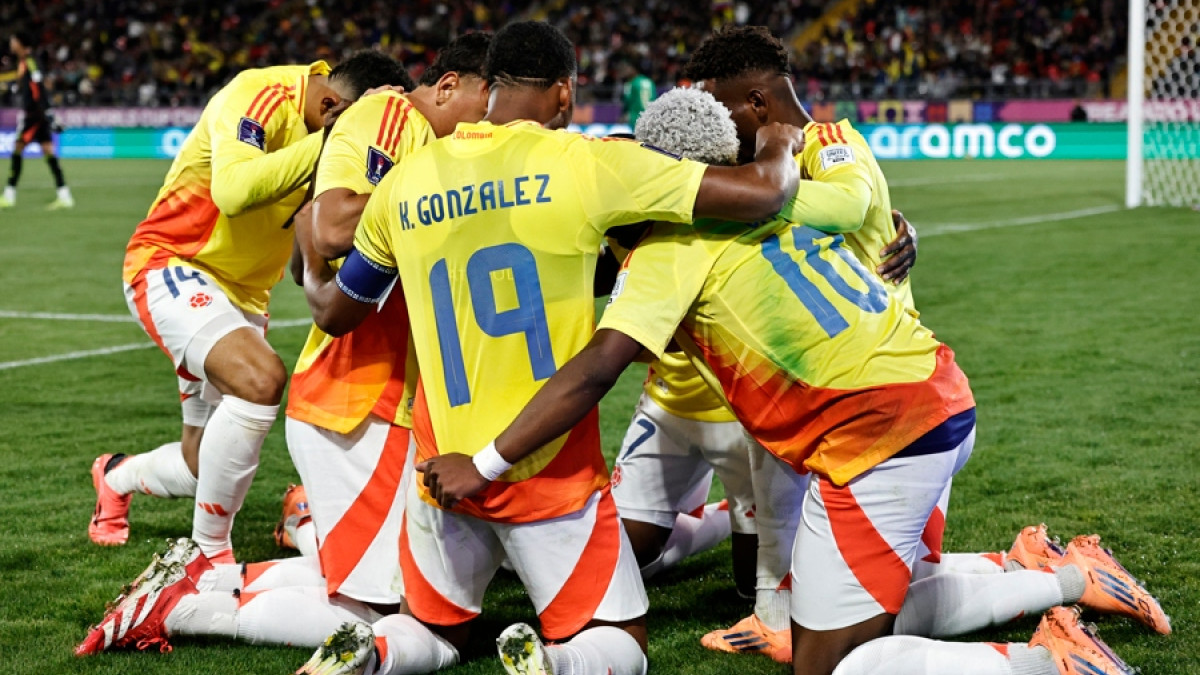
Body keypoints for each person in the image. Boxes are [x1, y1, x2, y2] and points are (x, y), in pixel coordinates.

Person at [416, 85, 1164, 675]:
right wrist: (893, 226)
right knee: (854, 606)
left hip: (878, 434)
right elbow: (859, 221)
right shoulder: (780, 203)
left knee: (830, 663)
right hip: (923, 393)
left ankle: (1050, 659)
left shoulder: (670, 250)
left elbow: (596, 368)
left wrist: (484, 461)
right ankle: (1058, 576)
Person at [297, 20, 805, 675]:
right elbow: (763, 193)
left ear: (488, 88)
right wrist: (781, 141)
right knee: (622, 640)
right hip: (544, 465)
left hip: (440, 462)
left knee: (434, 629)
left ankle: (380, 651)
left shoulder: (404, 181)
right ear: (564, 92)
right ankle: (555, 664)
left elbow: (340, 311)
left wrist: (309, 254)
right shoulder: (584, 163)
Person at [679, 26, 1170, 663]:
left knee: (888, 595)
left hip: (883, 397)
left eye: (722, 108)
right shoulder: (764, 166)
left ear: (756, 102)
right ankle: (1042, 572)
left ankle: (1057, 608)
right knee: (871, 580)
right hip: (842, 387)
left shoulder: (828, 142)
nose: (719, 128)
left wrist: (738, 199)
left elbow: (849, 206)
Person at [86, 51, 407, 563]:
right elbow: (233, 192)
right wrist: (332, 142)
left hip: (245, 295)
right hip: (173, 263)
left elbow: (307, 253)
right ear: (331, 106)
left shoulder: (330, 132)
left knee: (201, 465)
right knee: (260, 380)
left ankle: (116, 476)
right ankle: (208, 558)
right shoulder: (262, 94)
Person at [0, 31, 72, 209]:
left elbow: (38, 87)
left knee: (18, 149)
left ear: (20, 43)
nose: (11, 44)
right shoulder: (24, 62)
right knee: (48, 151)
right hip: (38, 114)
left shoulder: (30, 61)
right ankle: (64, 195)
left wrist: (47, 111)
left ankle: (9, 195)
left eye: (13, 40)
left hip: (34, 115)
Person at [620, 61, 656, 128]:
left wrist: (622, 114)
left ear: (634, 69)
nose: (625, 71)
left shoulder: (630, 83)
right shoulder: (649, 82)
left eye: (627, 68)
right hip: (650, 117)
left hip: (635, 117)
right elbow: (654, 98)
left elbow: (627, 100)